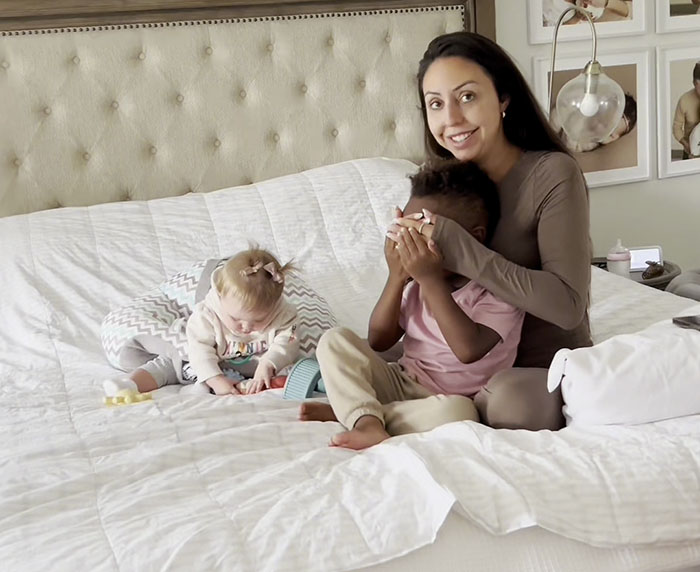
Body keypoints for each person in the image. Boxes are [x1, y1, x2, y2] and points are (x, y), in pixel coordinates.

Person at [391, 31, 591, 431]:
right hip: (445, 366)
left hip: (534, 369)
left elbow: (568, 306)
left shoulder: (552, 174)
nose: (451, 120)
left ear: (502, 98)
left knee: (507, 404)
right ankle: (430, 407)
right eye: (435, 104)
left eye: (467, 97)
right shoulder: (442, 188)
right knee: (353, 354)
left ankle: (424, 411)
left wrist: (464, 251)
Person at [300, 161, 525, 450]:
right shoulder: (415, 284)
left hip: (449, 401)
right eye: (405, 228)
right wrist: (396, 278)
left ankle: (361, 414)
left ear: (473, 236)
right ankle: (366, 419)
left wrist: (431, 281)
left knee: (460, 416)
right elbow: (380, 341)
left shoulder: (499, 290)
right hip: (399, 381)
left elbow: (467, 350)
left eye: (422, 231)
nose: (410, 242)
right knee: (334, 340)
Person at [103, 248, 299, 397]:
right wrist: (215, 379)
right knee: (169, 365)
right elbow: (199, 348)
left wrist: (268, 363)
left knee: (289, 369)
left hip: (245, 367)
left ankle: (205, 384)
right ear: (220, 297)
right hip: (201, 356)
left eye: (258, 320)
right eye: (236, 319)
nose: (245, 327)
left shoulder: (283, 314)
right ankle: (130, 385)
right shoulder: (208, 313)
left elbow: (286, 343)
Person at [552, 92, 637, 153]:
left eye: (611, 135)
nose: (605, 135)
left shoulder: (591, 143)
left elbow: (570, 146)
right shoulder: (584, 103)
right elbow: (560, 109)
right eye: (605, 125)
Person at [673, 61, 700, 160]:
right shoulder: (684, 100)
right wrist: (688, 146)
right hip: (690, 152)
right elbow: (676, 129)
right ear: (694, 83)